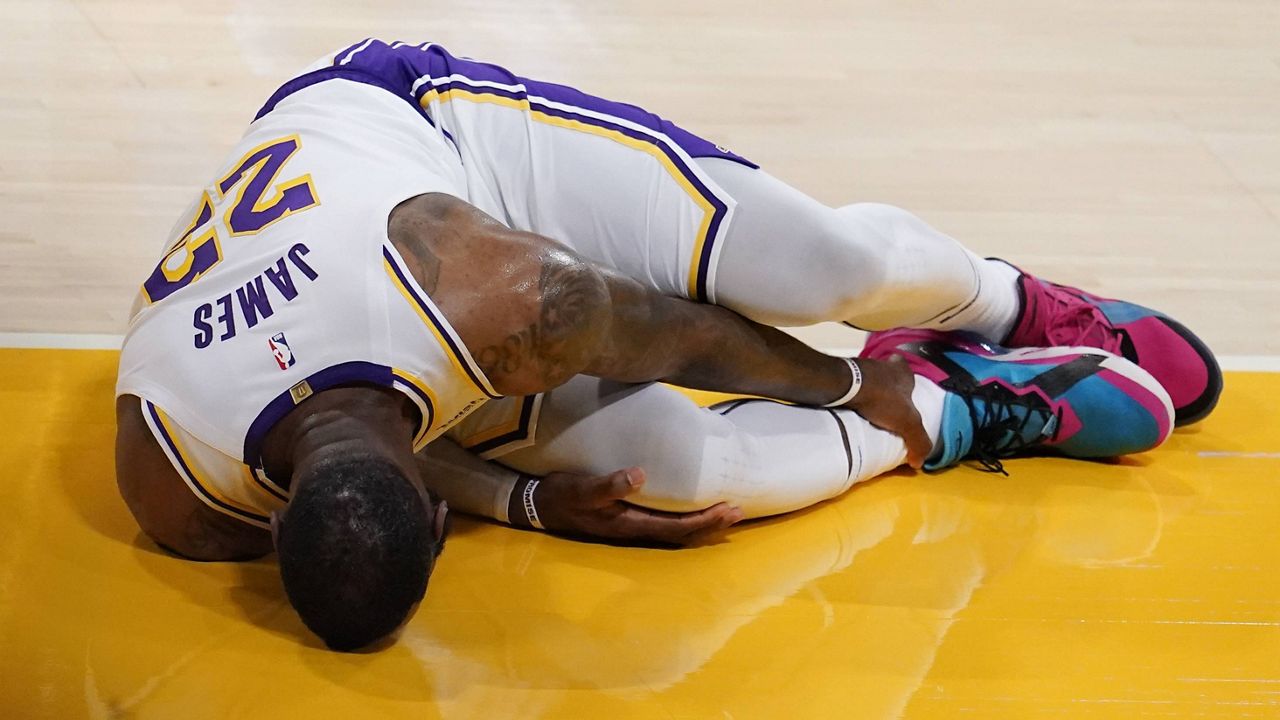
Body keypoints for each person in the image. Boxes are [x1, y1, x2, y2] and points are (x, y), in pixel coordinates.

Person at [113, 39, 1217, 651]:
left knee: (812, 270)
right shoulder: (172, 488)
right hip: (400, 311)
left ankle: (995, 302)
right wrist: (536, 505)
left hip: (446, 144)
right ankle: (945, 408)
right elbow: (372, 450)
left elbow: (686, 340)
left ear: (442, 524)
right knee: (679, 480)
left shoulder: (500, 301)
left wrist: (848, 378)